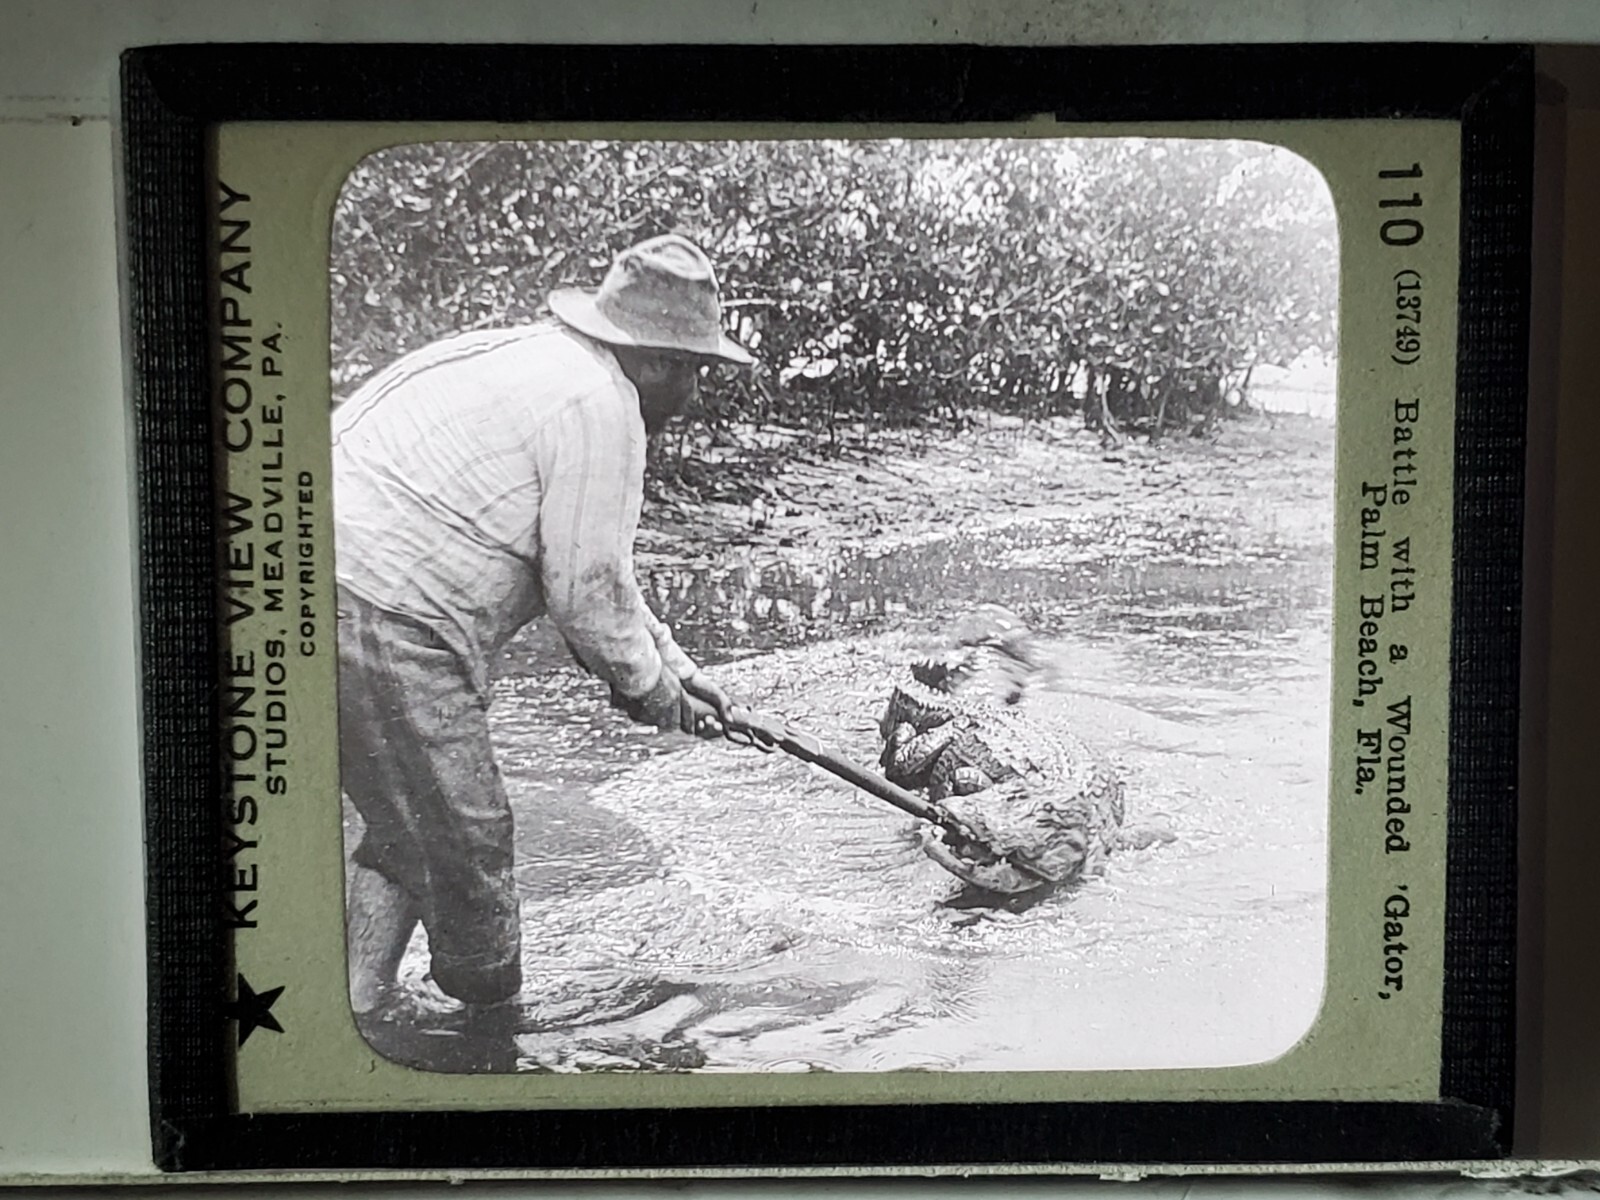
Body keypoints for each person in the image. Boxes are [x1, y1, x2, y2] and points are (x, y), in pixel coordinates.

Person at [333, 233, 754, 1030]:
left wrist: (678, 669)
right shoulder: (603, 406)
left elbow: (603, 579)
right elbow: (586, 597)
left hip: (317, 580)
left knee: (409, 819)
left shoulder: (536, 359)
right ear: (658, 360)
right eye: (695, 369)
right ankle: (493, 1035)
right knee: (469, 842)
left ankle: (361, 1005)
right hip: (384, 610)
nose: (696, 390)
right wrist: (653, 692)